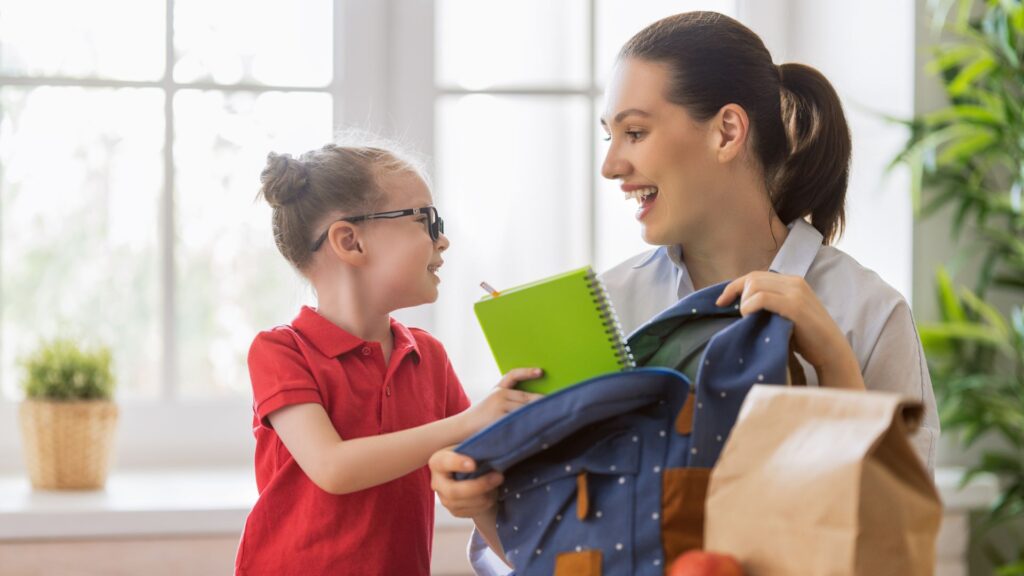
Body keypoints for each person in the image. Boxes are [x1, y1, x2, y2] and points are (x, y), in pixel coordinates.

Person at [427, 11, 939, 574]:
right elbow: (569, 549)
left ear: (726, 132)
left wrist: (832, 359)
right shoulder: (610, 308)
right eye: (610, 136)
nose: (610, 164)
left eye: (635, 132)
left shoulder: (865, 311)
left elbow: (897, 543)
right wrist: (481, 508)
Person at [235, 141, 542, 575]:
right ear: (350, 240)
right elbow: (332, 467)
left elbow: (473, 482)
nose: (443, 239)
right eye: (425, 220)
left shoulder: (428, 357)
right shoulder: (281, 351)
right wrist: (472, 420)